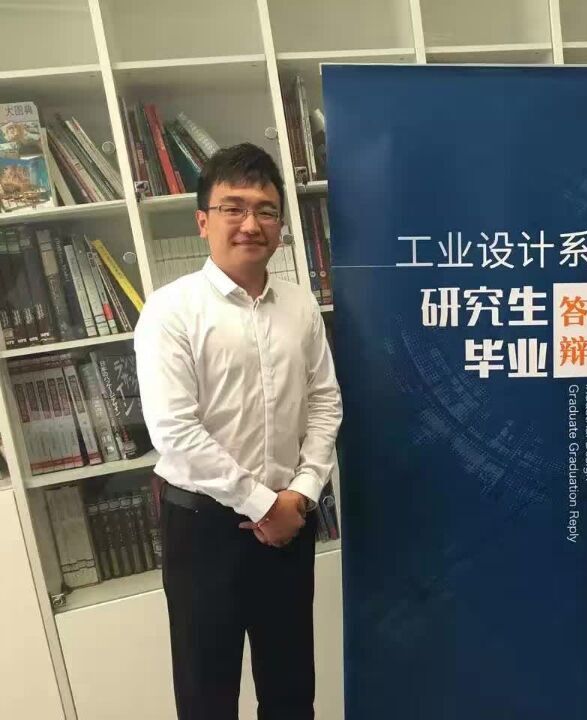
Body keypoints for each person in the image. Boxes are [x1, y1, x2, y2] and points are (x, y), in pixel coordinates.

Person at [135, 143, 342, 720]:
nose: (251, 223)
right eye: (233, 208)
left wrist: (301, 493)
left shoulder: (299, 306)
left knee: (291, 691)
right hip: (204, 530)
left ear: (280, 225)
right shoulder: (170, 311)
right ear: (203, 221)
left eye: (266, 210)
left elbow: (325, 401)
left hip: (290, 522)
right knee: (207, 696)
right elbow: (175, 431)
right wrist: (263, 504)